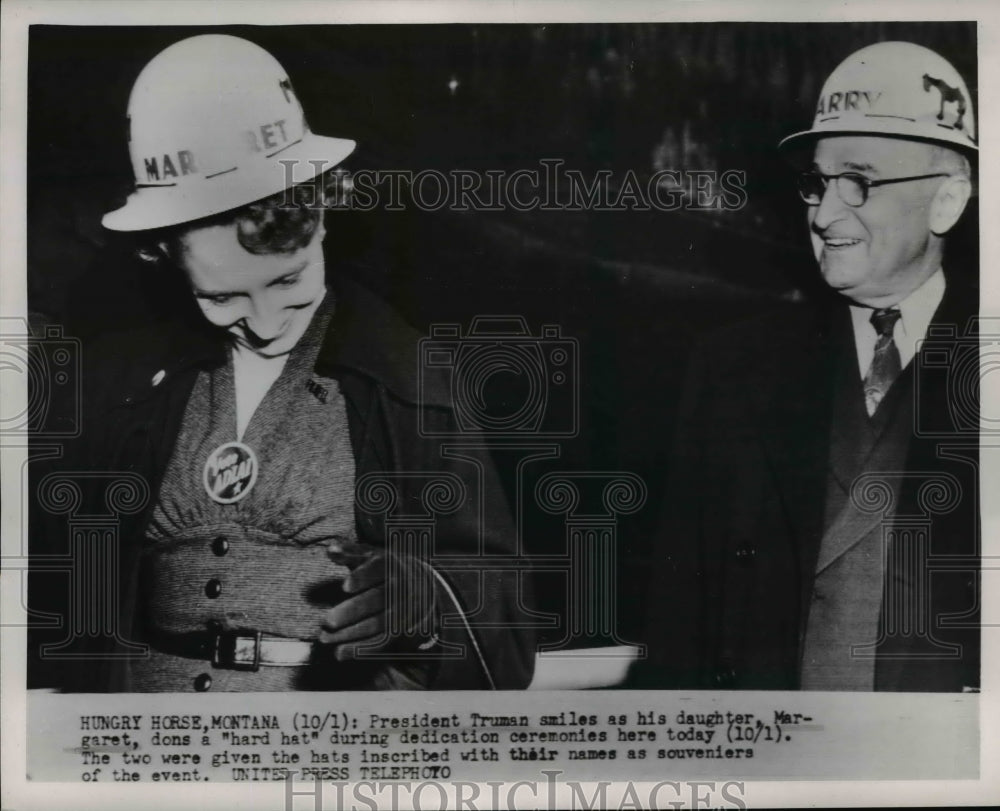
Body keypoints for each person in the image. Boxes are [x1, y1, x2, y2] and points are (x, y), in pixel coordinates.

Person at [30, 34, 534, 691]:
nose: (266, 323)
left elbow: (510, 631)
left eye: (288, 282)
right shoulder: (118, 380)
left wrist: (430, 603)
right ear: (162, 253)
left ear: (324, 214)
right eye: (223, 296)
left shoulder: (408, 377)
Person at [642, 41, 979, 691]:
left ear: (946, 201)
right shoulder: (729, 368)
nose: (823, 214)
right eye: (818, 183)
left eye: (858, 181)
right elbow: (677, 629)